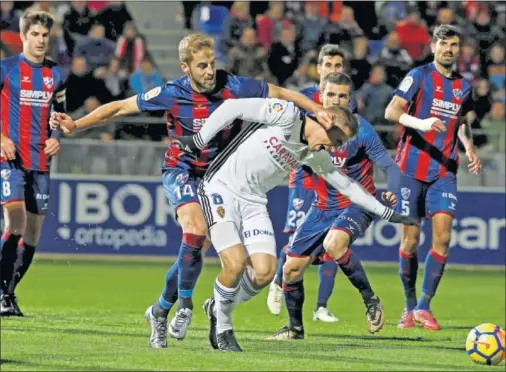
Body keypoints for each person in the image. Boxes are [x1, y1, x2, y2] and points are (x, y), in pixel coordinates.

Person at [49, 33, 335, 348]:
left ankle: (160, 310)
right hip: (181, 170)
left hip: (219, 177)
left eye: (212, 64)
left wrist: (317, 111)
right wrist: (76, 124)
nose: (210, 71)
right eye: (202, 66)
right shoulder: (172, 93)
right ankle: (184, 306)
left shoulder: (234, 86)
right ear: (186, 68)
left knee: (199, 248)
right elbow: (119, 108)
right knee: (196, 232)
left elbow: (281, 92)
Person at [177, 97, 418, 352]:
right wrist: (198, 141)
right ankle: (224, 329)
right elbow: (231, 107)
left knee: (265, 272)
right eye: (336, 141)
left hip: (254, 202)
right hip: (221, 188)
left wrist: (386, 213)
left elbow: (347, 186)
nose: (334, 149)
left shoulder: (313, 154)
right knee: (236, 264)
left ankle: (217, 306)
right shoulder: (287, 116)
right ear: (327, 121)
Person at [268, 72, 401, 340]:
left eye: (342, 95)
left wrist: (393, 192)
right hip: (322, 206)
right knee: (290, 270)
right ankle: (295, 329)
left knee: (334, 244)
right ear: (322, 96)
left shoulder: (361, 130)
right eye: (331, 95)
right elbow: (303, 164)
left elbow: (389, 166)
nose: (336, 99)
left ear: (350, 99)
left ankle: (370, 300)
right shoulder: (311, 126)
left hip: (357, 203)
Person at [384, 24, 481, 331]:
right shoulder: (419, 76)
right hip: (411, 169)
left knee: (443, 238)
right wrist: (421, 123)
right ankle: (409, 307)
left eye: (454, 45)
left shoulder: (463, 87)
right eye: (444, 44)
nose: (449, 49)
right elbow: (391, 111)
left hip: (444, 171)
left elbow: (460, 122)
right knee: (411, 241)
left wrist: (468, 147)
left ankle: (425, 307)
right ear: (434, 46)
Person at [267, 44, 355, 322]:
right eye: (328, 65)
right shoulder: (303, 97)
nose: (333, 70)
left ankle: (321, 306)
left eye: (338, 66)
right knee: (297, 236)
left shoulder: (347, 104)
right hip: (304, 174)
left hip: (332, 177)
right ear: (319, 69)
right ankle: (278, 280)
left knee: (332, 239)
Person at [0, 10, 65, 316]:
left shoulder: (57, 74)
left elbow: (59, 116)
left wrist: (56, 137)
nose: (41, 40)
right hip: (9, 158)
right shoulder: (6, 68)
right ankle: (1, 292)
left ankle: (9, 292)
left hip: (40, 162)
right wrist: (1, 137)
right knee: (14, 222)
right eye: (35, 35)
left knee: (33, 234)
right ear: (23, 37)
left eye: (45, 36)